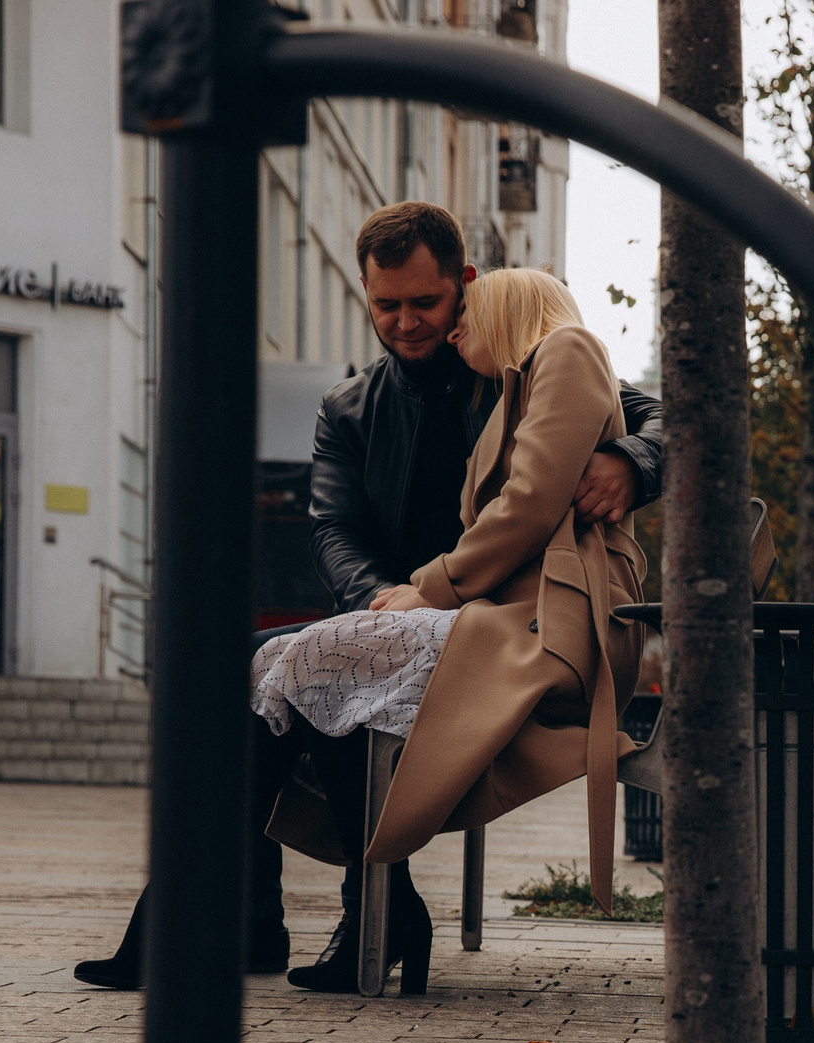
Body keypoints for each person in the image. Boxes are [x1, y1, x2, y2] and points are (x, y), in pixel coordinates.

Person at [73, 202, 665, 993]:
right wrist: (386, 600)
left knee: (307, 672)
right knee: (259, 671)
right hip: (416, 611)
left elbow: (660, 421)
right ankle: (268, 912)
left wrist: (633, 459)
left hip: (505, 623)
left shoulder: (520, 356)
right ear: (364, 293)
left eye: (426, 302)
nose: (407, 322)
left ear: (466, 284)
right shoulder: (348, 407)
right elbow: (334, 530)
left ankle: (255, 917)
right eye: (387, 304)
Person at [260, 268, 648, 962]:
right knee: (295, 666)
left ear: (507, 309)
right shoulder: (516, 386)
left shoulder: (568, 351)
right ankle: (364, 913)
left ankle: (290, 913)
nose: (453, 329)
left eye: (467, 313)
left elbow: (528, 506)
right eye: (387, 303)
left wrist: (430, 588)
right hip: (516, 619)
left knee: (311, 661)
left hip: (554, 627)